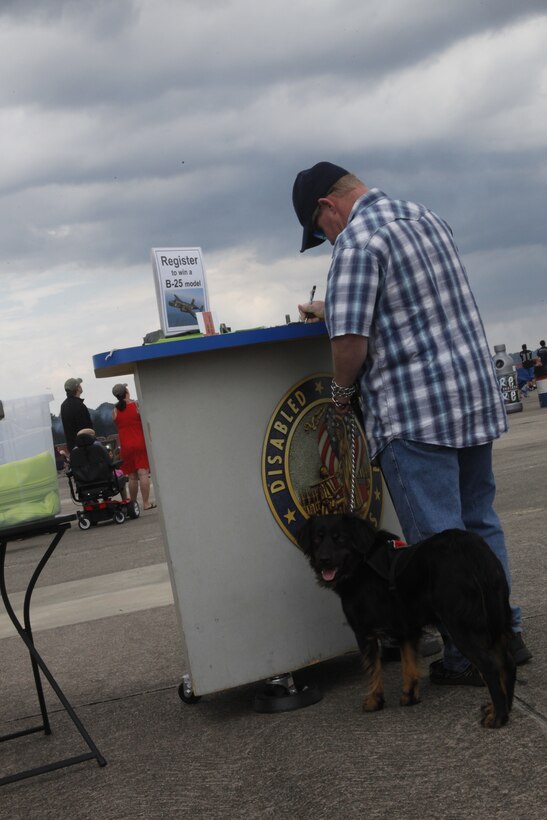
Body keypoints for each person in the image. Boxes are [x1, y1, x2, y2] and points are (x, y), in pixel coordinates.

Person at [292, 161, 532, 679]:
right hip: (470, 398)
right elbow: (412, 305)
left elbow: (351, 346)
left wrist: (340, 393)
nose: (326, 241)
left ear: (327, 208)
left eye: (318, 233)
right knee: (479, 524)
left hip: (414, 412)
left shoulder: (355, 245)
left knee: (437, 543)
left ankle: (469, 656)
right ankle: (504, 635)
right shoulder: (426, 218)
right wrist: (331, 305)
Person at [111, 384, 155, 510]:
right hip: (140, 443)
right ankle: (146, 503)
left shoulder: (114, 411)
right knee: (143, 474)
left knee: (132, 477)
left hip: (126, 446)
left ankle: (133, 504)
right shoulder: (136, 405)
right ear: (126, 391)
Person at [60, 377, 93, 452]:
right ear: (77, 388)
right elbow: (86, 429)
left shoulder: (63, 406)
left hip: (73, 449)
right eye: (79, 385)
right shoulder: (79, 405)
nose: (81, 386)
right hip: (85, 448)